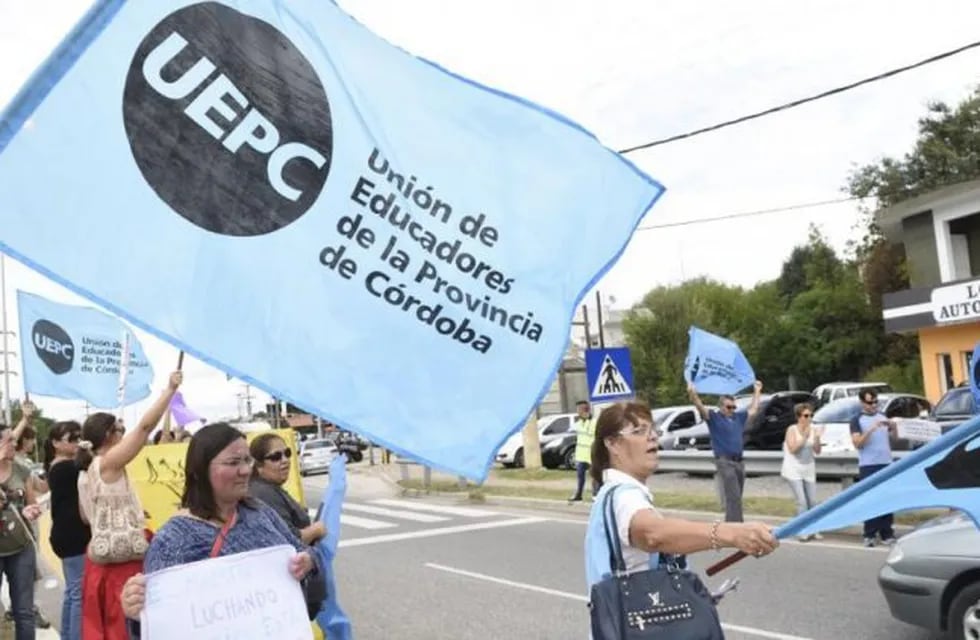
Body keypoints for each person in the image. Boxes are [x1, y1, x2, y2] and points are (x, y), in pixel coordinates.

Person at [119, 423, 324, 630]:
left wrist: (309, 562)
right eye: (233, 462)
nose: (245, 470)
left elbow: (302, 550)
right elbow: (159, 626)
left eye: (247, 460)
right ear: (200, 470)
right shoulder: (172, 540)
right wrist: (138, 613)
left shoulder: (260, 512)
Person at [585, 402, 777, 608]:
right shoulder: (624, 496)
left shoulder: (610, 493)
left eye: (653, 429)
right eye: (639, 431)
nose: (652, 436)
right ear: (612, 444)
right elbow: (653, 534)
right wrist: (730, 533)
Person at [77, 371, 182, 640]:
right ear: (108, 436)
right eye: (121, 430)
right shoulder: (108, 463)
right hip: (120, 567)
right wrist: (168, 391)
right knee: (126, 628)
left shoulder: (88, 469)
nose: (127, 434)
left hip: (103, 562)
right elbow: (146, 428)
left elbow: (88, 518)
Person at [688, 380, 763, 522]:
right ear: (721, 407)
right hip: (724, 461)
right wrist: (693, 393)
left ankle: (730, 523)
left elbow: (754, 410)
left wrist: (757, 391)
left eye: (734, 407)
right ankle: (736, 526)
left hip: (739, 461)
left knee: (736, 495)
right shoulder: (714, 418)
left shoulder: (738, 417)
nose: (732, 410)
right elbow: (700, 407)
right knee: (733, 495)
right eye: (729, 407)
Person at [44, 420, 90, 640]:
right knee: (78, 593)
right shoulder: (65, 468)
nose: (78, 442)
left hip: (66, 535)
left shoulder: (60, 466)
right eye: (72, 438)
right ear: (55, 443)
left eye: (79, 437)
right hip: (73, 536)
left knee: (73, 593)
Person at [0, 421, 44, 640]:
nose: (13, 444)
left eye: (14, 440)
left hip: (21, 547)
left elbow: (32, 502)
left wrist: (31, 510)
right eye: (9, 440)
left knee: (24, 612)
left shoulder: (21, 468)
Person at [248, 433, 326, 544]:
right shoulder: (264, 493)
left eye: (287, 453)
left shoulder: (268, 487)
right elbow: (288, 539)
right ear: (259, 465)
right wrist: (316, 530)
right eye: (276, 457)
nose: (285, 460)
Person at [850, 388, 898, 547]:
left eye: (876, 401)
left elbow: (894, 437)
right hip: (868, 464)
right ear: (862, 402)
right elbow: (857, 443)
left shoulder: (883, 416)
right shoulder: (857, 420)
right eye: (870, 402)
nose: (873, 405)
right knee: (870, 500)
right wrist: (871, 429)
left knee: (887, 499)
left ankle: (887, 533)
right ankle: (869, 534)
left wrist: (893, 426)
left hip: (886, 462)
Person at [780, 403, 823, 541]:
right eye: (806, 415)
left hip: (808, 467)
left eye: (811, 415)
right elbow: (792, 449)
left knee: (813, 501)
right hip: (793, 468)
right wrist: (804, 437)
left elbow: (817, 451)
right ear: (798, 417)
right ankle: (802, 530)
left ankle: (814, 528)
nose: (809, 418)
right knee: (802, 501)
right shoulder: (792, 429)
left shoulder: (813, 429)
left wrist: (816, 438)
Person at [568, 400, 597, 503]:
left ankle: (595, 495)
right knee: (580, 476)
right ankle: (578, 495)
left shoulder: (594, 422)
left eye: (579, 409)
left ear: (584, 410)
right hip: (581, 455)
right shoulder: (579, 423)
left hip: (592, 454)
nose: (577, 412)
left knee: (594, 476)